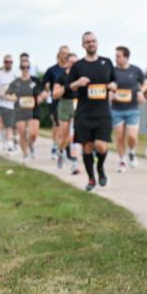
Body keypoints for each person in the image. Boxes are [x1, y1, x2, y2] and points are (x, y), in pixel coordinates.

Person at [67, 32, 116, 191]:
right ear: (83, 45)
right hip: (84, 113)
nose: (91, 44)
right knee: (87, 148)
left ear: (97, 43)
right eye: (87, 42)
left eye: (93, 41)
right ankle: (91, 179)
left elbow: (114, 81)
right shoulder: (78, 66)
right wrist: (78, 82)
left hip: (102, 113)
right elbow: (69, 87)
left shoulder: (106, 62)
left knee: (101, 146)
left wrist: (113, 86)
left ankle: (100, 169)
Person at [110, 46, 147, 172]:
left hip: (132, 108)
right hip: (117, 109)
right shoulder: (112, 71)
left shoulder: (135, 70)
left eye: (118, 56)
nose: (116, 58)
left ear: (126, 57)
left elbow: (145, 82)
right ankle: (121, 161)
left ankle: (131, 151)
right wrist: (110, 92)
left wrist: (141, 92)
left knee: (132, 136)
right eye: (116, 56)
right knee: (119, 136)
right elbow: (107, 85)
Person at [6, 57, 44, 162]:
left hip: (33, 109)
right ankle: (25, 154)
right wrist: (12, 98)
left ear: (29, 68)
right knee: (22, 132)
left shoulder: (35, 80)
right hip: (20, 110)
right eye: (23, 67)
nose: (25, 69)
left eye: (27, 67)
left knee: (33, 133)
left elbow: (44, 92)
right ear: (20, 68)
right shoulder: (16, 82)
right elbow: (7, 94)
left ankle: (30, 146)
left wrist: (41, 97)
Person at [52, 52, 81, 174]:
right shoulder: (61, 77)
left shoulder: (82, 76)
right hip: (64, 105)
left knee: (74, 135)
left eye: (76, 62)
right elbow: (55, 94)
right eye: (71, 62)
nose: (74, 64)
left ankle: (75, 163)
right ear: (67, 63)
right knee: (64, 136)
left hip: (78, 104)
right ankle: (60, 151)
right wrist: (67, 87)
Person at [42, 46, 70, 161]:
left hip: (68, 101)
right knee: (57, 125)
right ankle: (55, 146)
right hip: (55, 101)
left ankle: (64, 147)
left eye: (67, 54)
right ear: (59, 55)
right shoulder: (52, 70)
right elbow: (44, 83)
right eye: (63, 53)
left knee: (67, 127)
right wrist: (47, 87)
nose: (65, 56)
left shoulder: (71, 70)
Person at [0, 54, 17, 152]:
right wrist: (1, 95)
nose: (8, 64)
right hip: (0, 104)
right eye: (6, 62)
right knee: (0, 124)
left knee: (9, 126)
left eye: (10, 62)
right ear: (4, 63)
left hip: (10, 105)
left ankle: (10, 145)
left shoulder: (15, 75)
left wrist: (9, 97)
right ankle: (4, 142)